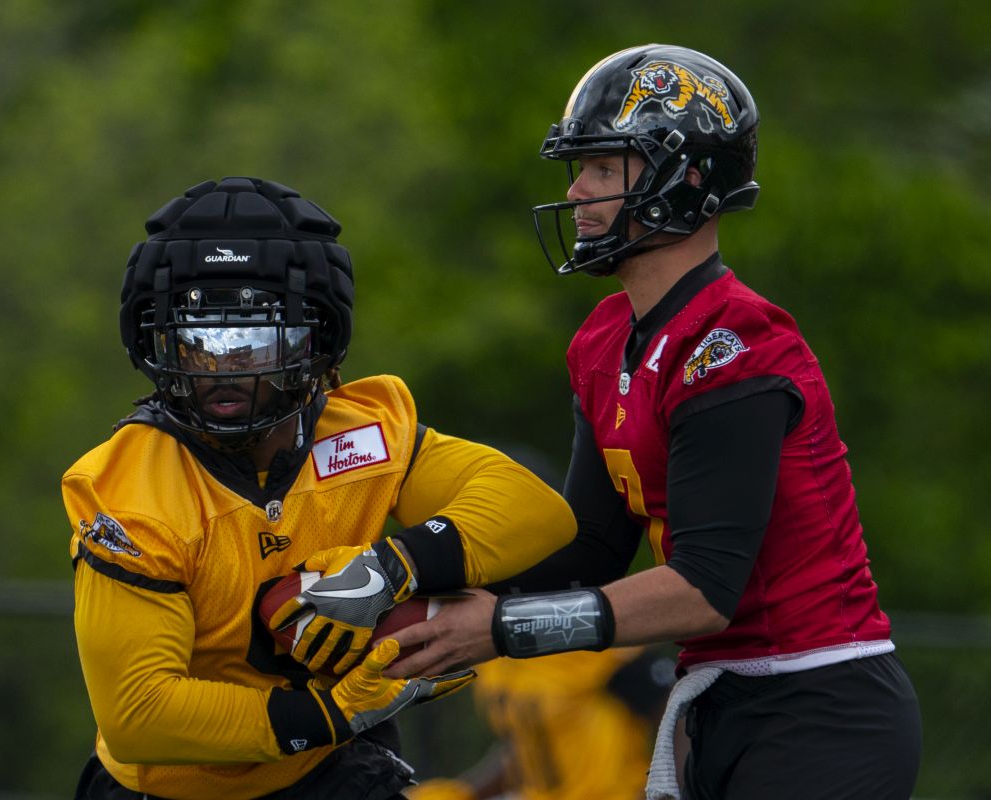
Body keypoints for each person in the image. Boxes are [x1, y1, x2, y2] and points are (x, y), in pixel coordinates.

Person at [385, 44, 923, 799]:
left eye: (603, 168)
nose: (577, 190)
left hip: (821, 703)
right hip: (722, 702)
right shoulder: (604, 339)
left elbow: (705, 589)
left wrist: (504, 629)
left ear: (687, 177)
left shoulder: (736, 343)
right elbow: (590, 545)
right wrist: (424, 581)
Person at [61, 176, 576, 800]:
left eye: (252, 340)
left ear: (317, 343)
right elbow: (141, 715)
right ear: (155, 344)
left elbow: (537, 510)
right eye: (199, 343)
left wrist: (391, 568)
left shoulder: (361, 435)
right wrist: (331, 714)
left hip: (328, 771)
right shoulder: (127, 490)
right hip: (173, 788)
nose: (224, 368)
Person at [406, 647, 676, 800]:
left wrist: (676, 791)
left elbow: (675, 709)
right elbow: (526, 745)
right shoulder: (493, 661)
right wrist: (464, 793)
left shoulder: (575, 637)